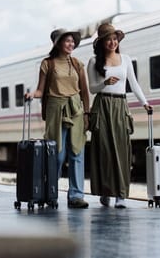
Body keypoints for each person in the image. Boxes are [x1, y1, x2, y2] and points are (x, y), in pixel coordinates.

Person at [87, 23, 152, 209]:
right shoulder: (94, 62)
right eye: (108, 39)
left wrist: (144, 103)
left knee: (123, 150)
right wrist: (104, 83)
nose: (112, 42)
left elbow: (134, 84)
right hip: (102, 105)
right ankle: (105, 192)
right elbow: (93, 88)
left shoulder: (125, 59)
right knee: (105, 150)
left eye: (115, 39)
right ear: (102, 43)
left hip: (120, 105)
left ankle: (121, 195)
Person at [25, 28, 90, 209]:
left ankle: (76, 195)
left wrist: (87, 113)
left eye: (72, 41)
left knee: (77, 152)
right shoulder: (48, 64)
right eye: (66, 41)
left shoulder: (78, 64)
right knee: (57, 155)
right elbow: (40, 90)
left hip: (76, 109)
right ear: (58, 44)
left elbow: (84, 91)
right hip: (55, 110)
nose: (70, 44)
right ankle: (50, 192)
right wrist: (32, 95)